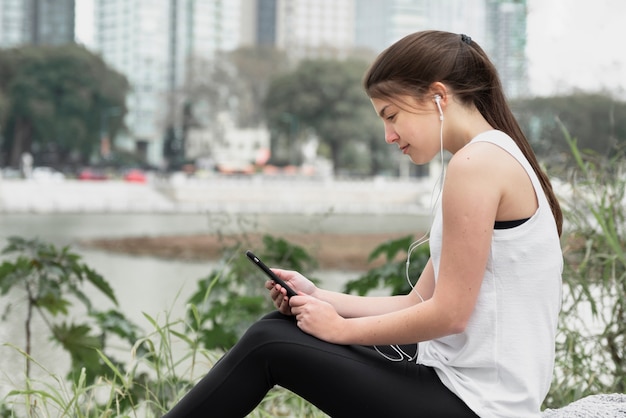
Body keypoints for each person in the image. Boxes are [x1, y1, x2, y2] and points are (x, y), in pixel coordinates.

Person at [163, 30, 563, 418]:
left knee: (268, 343)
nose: (389, 136)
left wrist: (339, 330)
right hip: (461, 387)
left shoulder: (476, 165)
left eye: (392, 115)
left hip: (476, 405)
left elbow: (450, 315)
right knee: (277, 328)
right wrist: (320, 297)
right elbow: (417, 304)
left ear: (439, 96)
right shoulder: (493, 154)